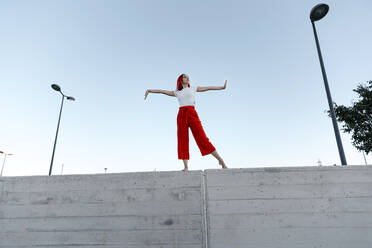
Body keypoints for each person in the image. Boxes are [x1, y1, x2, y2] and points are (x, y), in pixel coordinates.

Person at [144, 73, 228, 171]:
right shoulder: (177, 92)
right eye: (184, 77)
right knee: (182, 140)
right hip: (181, 115)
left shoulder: (193, 88)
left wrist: (222, 87)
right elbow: (162, 91)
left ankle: (220, 160)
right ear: (180, 80)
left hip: (192, 113)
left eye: (188, 77)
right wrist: (150, 90)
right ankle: (186, 166)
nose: (187, 78)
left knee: (202, 138)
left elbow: (208, 88)